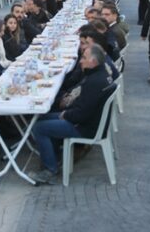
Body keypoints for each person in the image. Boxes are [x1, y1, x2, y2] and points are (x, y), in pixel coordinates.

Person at [30, 44, 114, 185]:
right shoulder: (102, 74)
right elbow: (84, 107)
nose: (81, 61)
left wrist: (65, 114)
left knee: (39, 128)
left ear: (93, 62)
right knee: (42, 117)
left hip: (85, 128)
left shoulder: (93, 82)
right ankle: (54, 157)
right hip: (90, 121)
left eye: (84, 58)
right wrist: (66, 112)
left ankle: (50, 171)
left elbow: (82, 114)